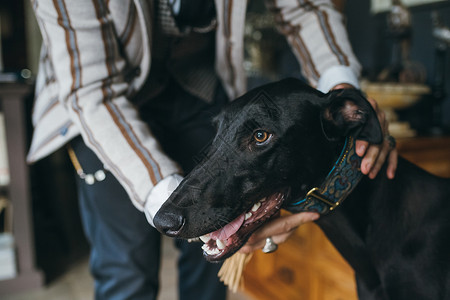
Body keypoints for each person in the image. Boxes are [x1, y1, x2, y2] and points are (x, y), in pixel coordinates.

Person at [27, 0, 397, 299]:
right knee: (126, 268)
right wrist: (163, 196)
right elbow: (94, 92)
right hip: (100, 106)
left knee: (208, 269)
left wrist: (344, 95)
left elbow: (306, 8)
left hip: (201, 95)